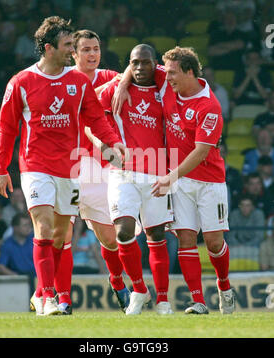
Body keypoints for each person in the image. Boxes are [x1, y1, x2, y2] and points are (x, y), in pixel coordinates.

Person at [0, 16, 126, 316]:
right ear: (48, 47)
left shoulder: (78, 82)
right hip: (35, 166)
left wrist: (113, 141)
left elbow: (96, 118)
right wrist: (1, 168)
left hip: (70, 169)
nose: (72, 50)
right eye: (68, 45)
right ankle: (49, 297)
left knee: (60, 236)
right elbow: (7, 127)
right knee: (43, 228)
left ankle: (47, 293)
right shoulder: (22, 82)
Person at [48, 29, 130, 315]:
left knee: (110, 238)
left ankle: (118, 281)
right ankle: (62, 299)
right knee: (61, 236)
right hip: (67, 165)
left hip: (100, 170)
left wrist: (124, 81)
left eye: (96, 48)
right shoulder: (65, 79)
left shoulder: (109, 77)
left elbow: (135, 70)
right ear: (73, 53)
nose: (92, 54)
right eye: (85, 49)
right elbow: (81, 119)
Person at [150, 47, 235, 314]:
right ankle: (198, 301)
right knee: (185, 238)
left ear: (189, 71)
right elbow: (139, 65)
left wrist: (168, 177)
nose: (168, 77)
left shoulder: (210, 106)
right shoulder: (167, 81)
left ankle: (224, 286)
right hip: (180, 183)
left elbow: (200, 153)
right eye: (168, 72)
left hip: (209, 181)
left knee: (212, 242)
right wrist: (123, 83)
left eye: (173, 72)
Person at [100, 44, 174, 315]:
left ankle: (163, 299)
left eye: (145, 62)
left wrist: (124, 78)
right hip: (124, 172)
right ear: (128, 64)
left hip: (157, 171)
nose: (140, 68)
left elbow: (171, 68)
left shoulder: (165, 85)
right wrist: (106, 146)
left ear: (155, 64)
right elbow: (94, 117)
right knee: (123, 232)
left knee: (156, 235)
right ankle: (140, 290)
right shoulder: (115, 88)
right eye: (134, 63)